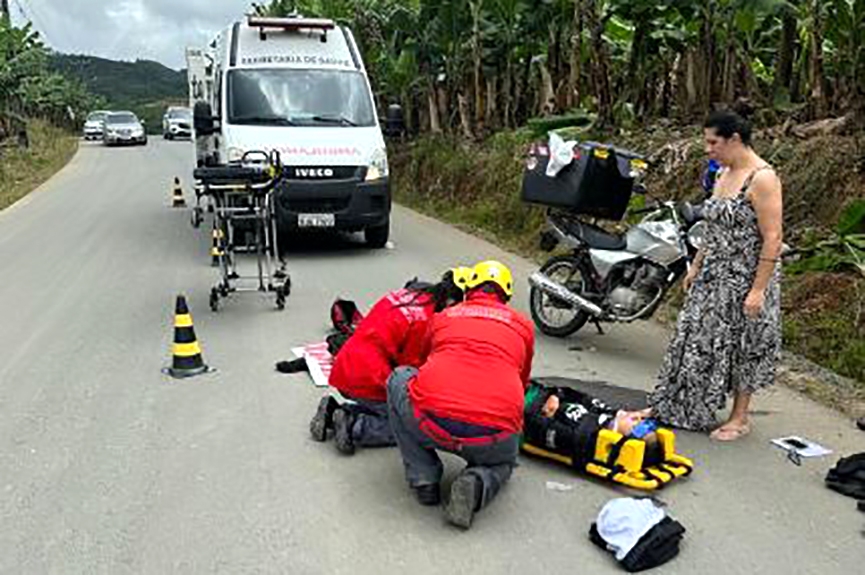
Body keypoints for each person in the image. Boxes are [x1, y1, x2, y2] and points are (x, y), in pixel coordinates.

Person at [649, 108, 783, 441]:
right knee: (694, 338)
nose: (708, 149)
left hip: (746, 277)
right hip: (713, 273)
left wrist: (758, 290)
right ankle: (679, 403)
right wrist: (695, 265)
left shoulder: (762, 178)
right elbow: (711, 227)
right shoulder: (723, 174)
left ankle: (740, 417)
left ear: (734, 139)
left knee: (743, 345)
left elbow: (773, 237)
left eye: (713, 142)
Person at [387, 260, 535, 529]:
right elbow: (523, 383)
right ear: (507, 296)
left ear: (469, 289)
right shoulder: (523, 327)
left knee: (399, 377)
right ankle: (477, 482)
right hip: (493, 435)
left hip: (431, 423)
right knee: (504, 462)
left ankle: (424, 479)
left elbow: (419, 365)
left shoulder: (444, 317)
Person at [309, 267, 474, 455]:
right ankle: (355, 425)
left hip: (346, 368)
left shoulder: (409, 295)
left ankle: (334, 411)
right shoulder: (424, 321)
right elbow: (408, 372)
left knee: (397, 407)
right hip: (367, 378)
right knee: (415, 425)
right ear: (453, 301)